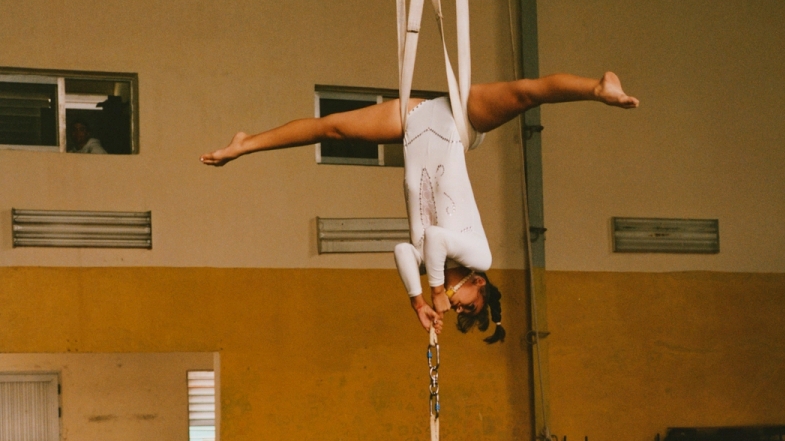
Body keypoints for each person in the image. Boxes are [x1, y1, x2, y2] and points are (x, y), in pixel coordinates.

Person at [200, 73, 638, 340]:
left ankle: (245, 144)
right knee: (525, 96)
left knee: (331, 130)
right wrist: (434, 293)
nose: (457, 304)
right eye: (468, 304)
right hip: (459, 123)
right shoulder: (477, 256)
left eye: (460, 310)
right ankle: (596, 87)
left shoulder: (433, 262)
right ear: (479, 284)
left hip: (413, 124)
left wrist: (417, 303)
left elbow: (403, 251)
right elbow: (435, 237)